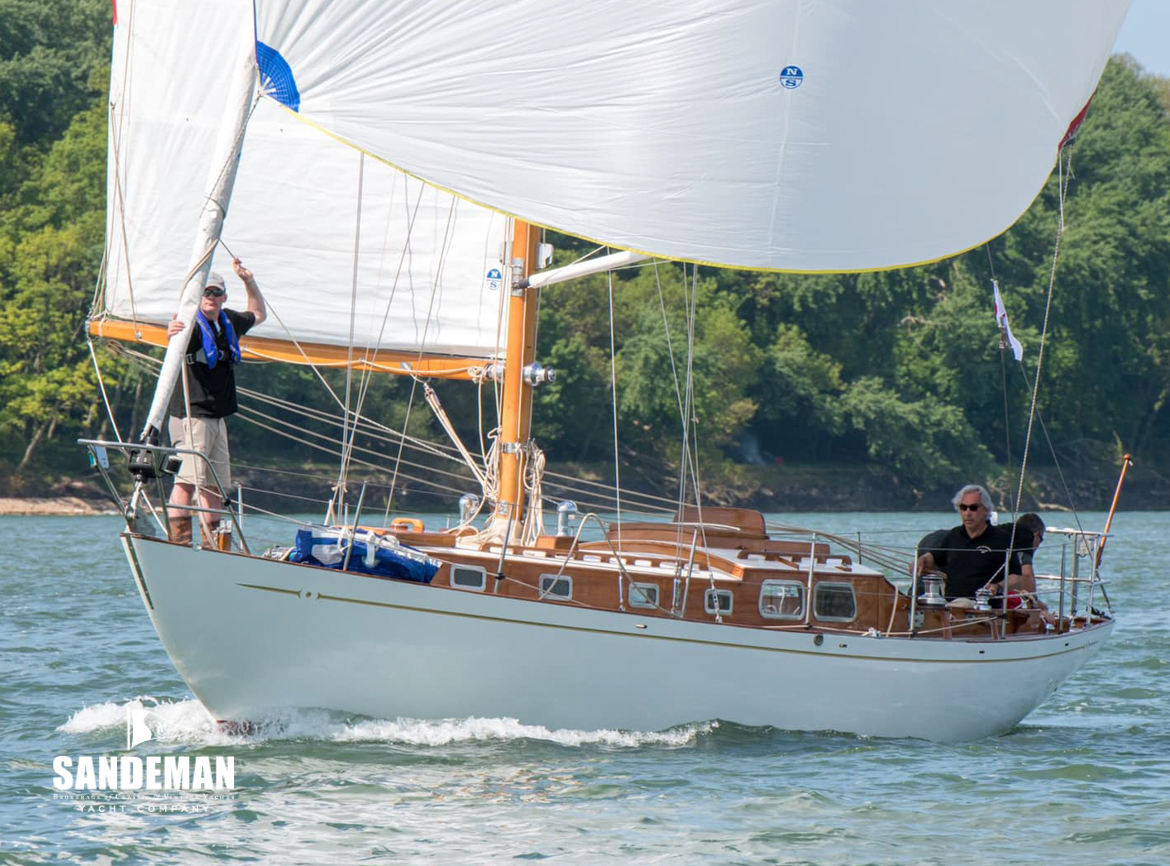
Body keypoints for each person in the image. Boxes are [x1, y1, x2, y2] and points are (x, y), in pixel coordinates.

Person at [166, 259, 266, 544]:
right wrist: (171, 331)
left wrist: (248, 280)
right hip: (192, 415)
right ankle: (179, 543)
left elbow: (259, 313)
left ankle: (214, 546)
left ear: (223, 297)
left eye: (215, 292)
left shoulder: (229, 321)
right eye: (205, 292)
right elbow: (176, 336)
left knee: (214, 486)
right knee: (187, 481)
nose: (210, 297)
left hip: (217, 416)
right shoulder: (190, 325)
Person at [913, 484, 1023, 601]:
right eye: (963, 507)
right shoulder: (953, 536)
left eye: (973, 508)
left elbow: (1017, 577)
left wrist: (998, 587)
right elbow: (933, 557)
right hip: (951, 605)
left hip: (985, 606)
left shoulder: (1001, 539)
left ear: (986, 510)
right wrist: (922, 561)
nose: (967, 513)